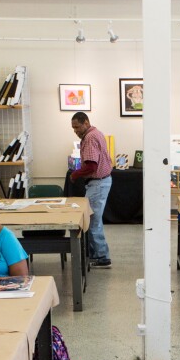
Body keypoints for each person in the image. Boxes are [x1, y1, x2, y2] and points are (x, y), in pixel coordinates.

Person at [69, 112, 113, 268]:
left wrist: (75, 174)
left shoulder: (89, 138)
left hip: (97, 184)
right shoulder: (96, 132)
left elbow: (91, 166)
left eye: (77, 127)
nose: (76, 131)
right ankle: (96, 254)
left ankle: (102, 257)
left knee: (93, 221)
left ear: (86, 123)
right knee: (94, 219)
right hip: (102, 181)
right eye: (73, 128)